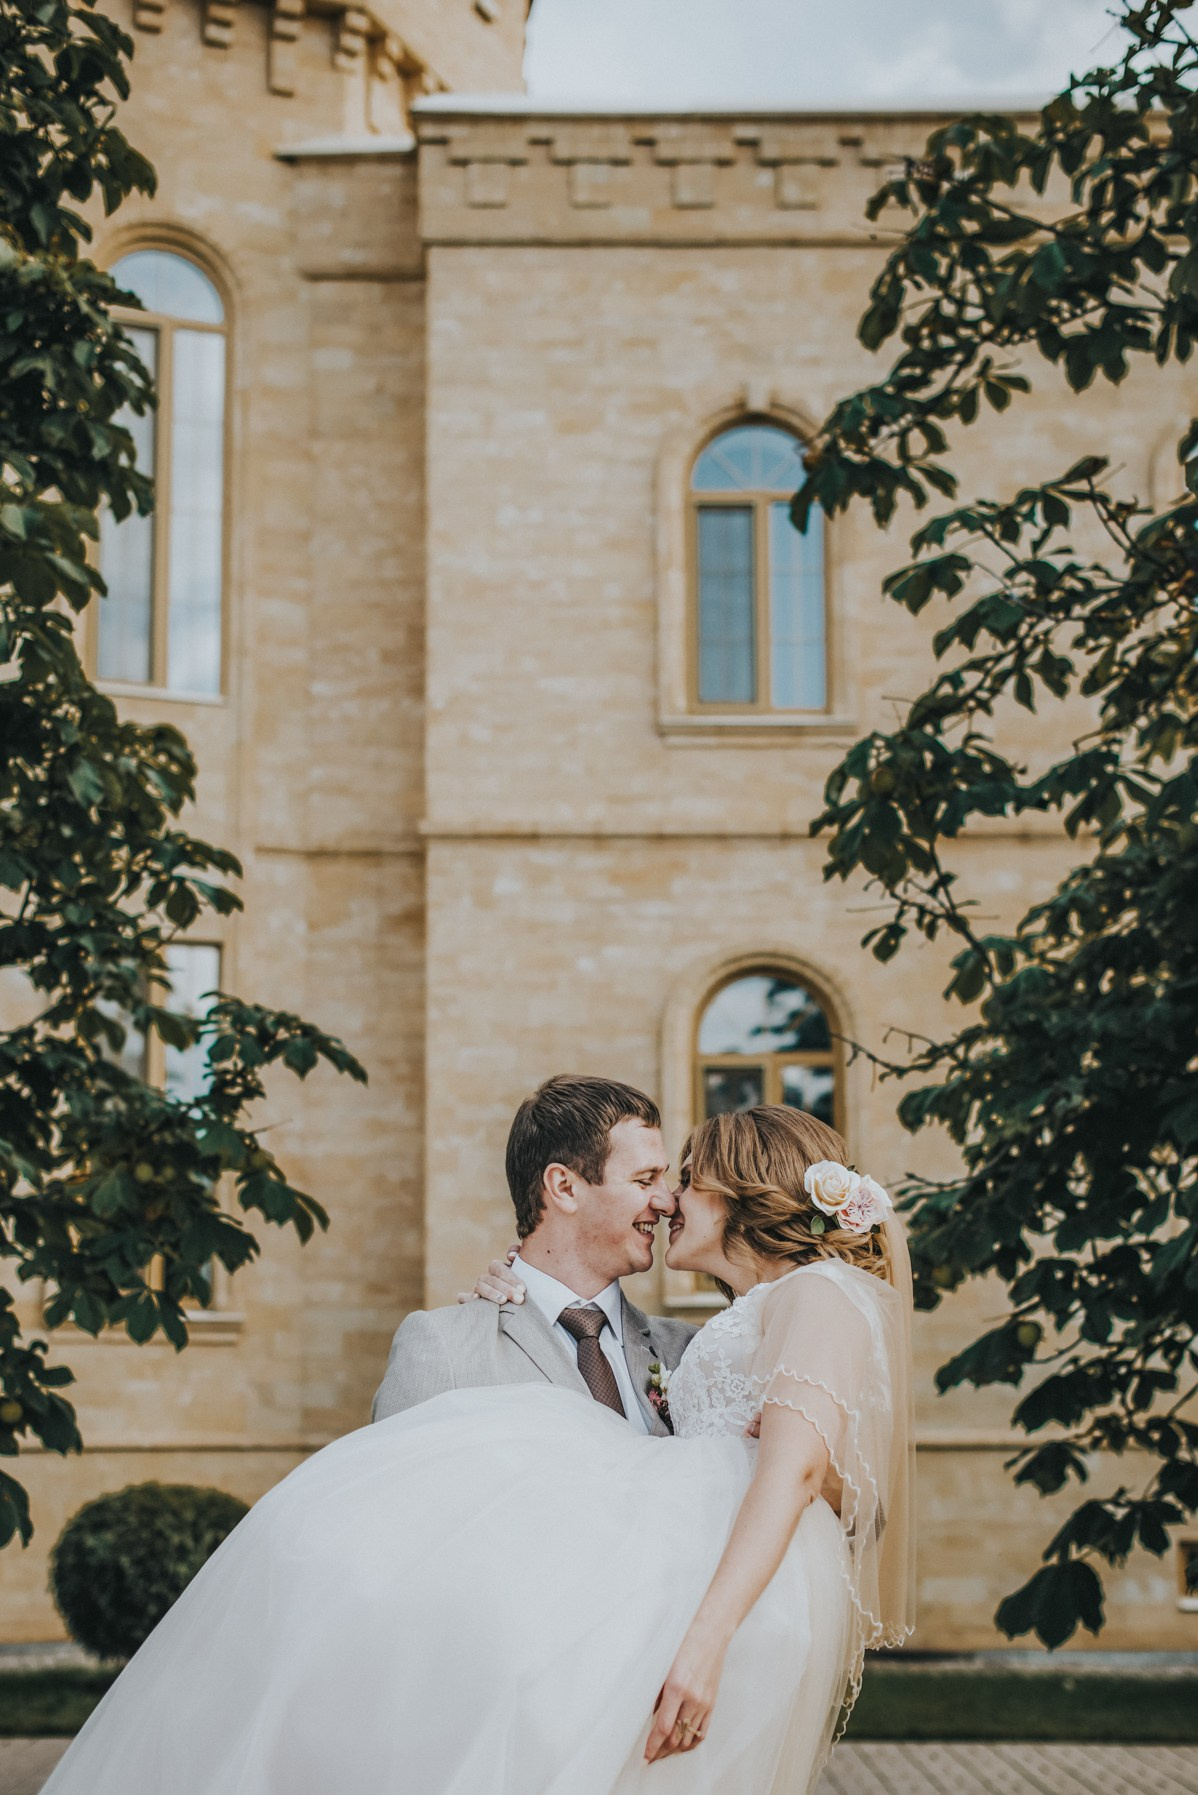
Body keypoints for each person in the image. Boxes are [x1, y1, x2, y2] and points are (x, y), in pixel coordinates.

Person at [42, 1097, 914, 1795]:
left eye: (677, 1178)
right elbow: (382, 1559)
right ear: (563, 1186)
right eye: (651, 1176)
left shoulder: (693, 1348)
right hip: (487, 1715)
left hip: (650, 1689)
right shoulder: (447, 1341)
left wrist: (814, 1482)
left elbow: (810, 1482)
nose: (667, 1197)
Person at [372, 1075, 697, 1433]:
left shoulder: (687, 1352)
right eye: (644, 1179)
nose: (667, 1202)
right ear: (564, 1187)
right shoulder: (444, 1349)